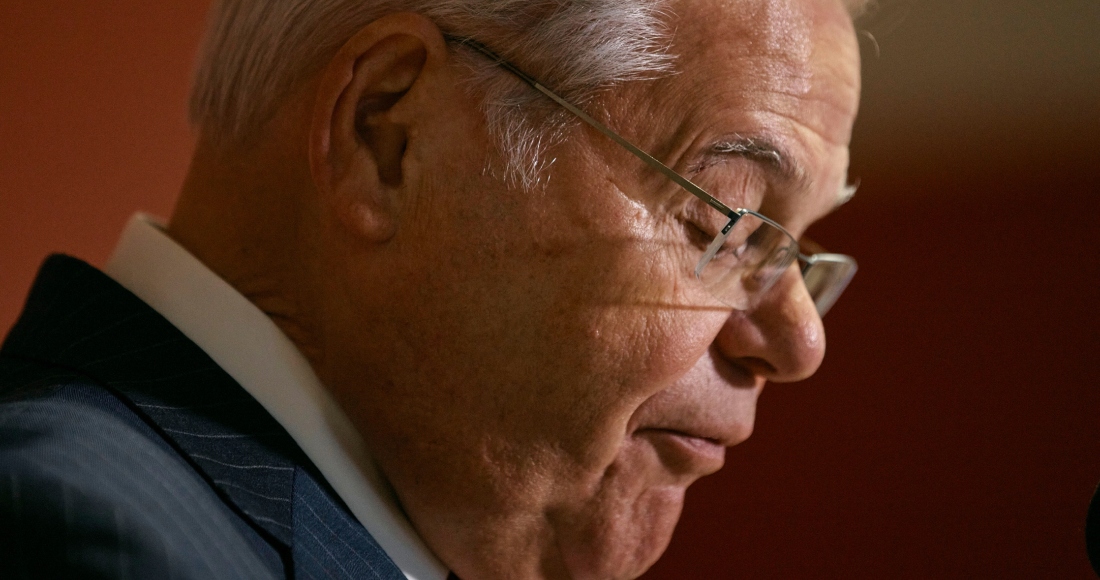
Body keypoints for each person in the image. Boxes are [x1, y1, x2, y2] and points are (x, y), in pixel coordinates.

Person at [0, 0, 866, 577]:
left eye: (801, 252)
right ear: (389, 138)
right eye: (728, 220)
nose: (802, 343)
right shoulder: (90, 541)